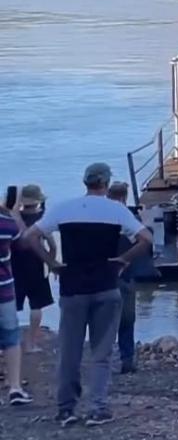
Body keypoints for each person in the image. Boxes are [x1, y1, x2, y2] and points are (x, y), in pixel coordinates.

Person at [23, 163, 152, 426]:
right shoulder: (116, 210)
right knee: (101, 352)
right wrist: (123, 260)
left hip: (72, 288)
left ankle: (66, 409)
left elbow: (30, 237)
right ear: (105, 184)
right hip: (106, 286)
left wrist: (50, 261)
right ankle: (97, 408)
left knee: (69, 351)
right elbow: (146, 239)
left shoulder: (65, 208)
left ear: (85, 183)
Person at [12, 184, 55, 353]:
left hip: (15, 265)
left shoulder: (14, 219)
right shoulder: (42, 219)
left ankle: (9, 343)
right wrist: (51, 263)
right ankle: (30, 343)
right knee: (36, 305)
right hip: (36, 264)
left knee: (12, 307)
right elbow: (52, 244)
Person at [107, 182, 145, 373]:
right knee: (127, 319)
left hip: (104, 274)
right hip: (126, 273)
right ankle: (127, 359)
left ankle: (104, 359)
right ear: (125, 197)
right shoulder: (131, 218)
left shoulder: (102, 218)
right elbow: (141, 244)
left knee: (104, 319)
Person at [0, 189, 32, 406]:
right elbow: (25, 242)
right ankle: (15, 388)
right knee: (11, 339)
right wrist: (13, 212)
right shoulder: (6, 222)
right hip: (4, 290)